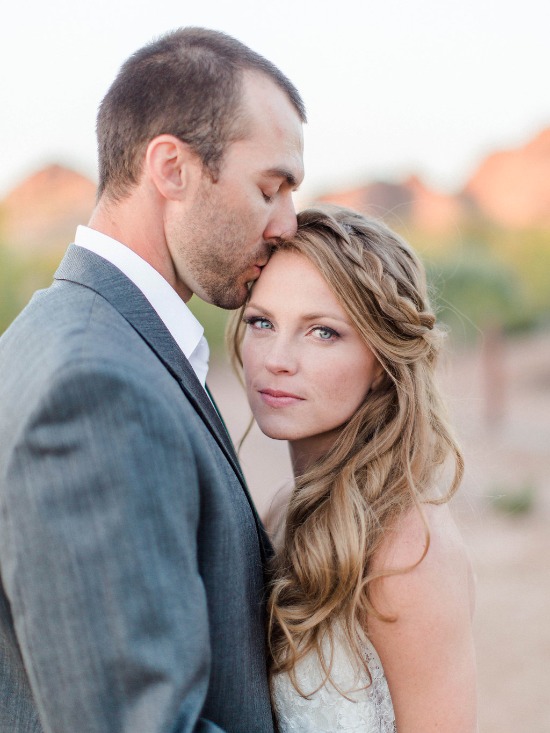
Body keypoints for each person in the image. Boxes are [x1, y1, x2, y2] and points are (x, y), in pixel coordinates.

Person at [0, 27, 304, 733]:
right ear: (171, 167)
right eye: (270, 187)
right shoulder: (95, 387)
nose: (288, 223)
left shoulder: (65, 332)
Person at [229, 204, 478, 732]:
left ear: (383, 361)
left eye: (322, 332)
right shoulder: (282, 509)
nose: (277, 358)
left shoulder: (407, 549)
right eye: (262, 322)